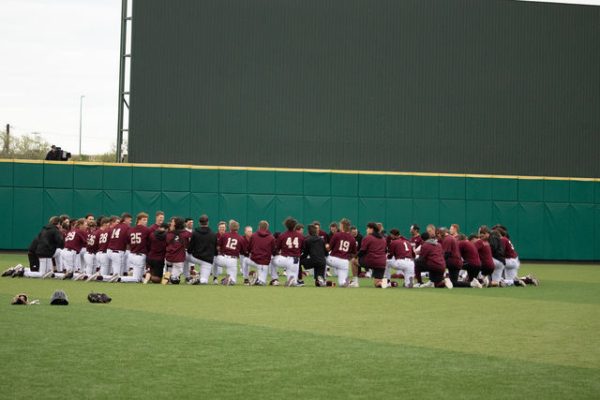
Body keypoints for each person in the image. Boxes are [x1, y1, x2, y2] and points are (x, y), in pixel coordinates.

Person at [351, 222, 388, 288]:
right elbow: (385, 251)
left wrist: (355, 256)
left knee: (353, 261)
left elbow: (362, 251)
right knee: (377, 284)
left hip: (370, 261)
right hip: (381, 263)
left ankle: (355, 282)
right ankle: (386, 283)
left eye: (367, 228)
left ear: (372, 229)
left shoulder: (368, 237)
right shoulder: (383, 239)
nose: (366, 230)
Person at [270, 217, 305, 286]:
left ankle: (275, 279)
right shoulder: (301, 236)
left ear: (286, 225)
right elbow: (303, 249)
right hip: (295, 260)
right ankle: (294, 280)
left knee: (272, 261)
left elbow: (276, 248)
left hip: (284, 259)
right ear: (295, 225)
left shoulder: (282, 235)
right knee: (293, 282)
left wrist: (277, 253)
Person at [187, 214, 218, 285]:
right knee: (204, 281)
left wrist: (189, 252)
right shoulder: (213, 234)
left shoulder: (194, 233)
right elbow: (215, 251)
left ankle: (187, 276)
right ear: (208, 222)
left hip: (195, 258)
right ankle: (200, 279)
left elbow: (190, 248)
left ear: (199, 222)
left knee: (183, 255)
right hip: (207, 261)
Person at [213, 219, 246, 285]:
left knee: (214, 258)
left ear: (229, 227)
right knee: (233, 281)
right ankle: (229, 279)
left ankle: (215, 278)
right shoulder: (241, 238)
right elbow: (243, 251)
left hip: (222, 259)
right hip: (233, 261)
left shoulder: (224, 235)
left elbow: (218, 247)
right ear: (238, 228)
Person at [120, 212, 150, 283]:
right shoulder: (146, 230)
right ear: (139, 220)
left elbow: (127, 242)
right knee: (136, 279)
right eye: (144, 220)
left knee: (140, 277)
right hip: (139, 256)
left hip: (132, 254)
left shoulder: (130, 229)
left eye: (146, 220)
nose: (146, 221)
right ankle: (119, 278)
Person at [326, 218, 356, 287]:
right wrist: (348, 258)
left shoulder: (337, 235)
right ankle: (349, 282)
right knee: (342, 283)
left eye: (340, 224)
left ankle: (322, 279)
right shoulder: (352, 238)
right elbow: (353, 253)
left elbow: (329, 248)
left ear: (342, 225)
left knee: (321, 258)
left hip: (333, 259)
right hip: (344, 262)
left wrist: (325, 247)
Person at [247, 220, 276, 286]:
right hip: (265, 262)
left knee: (245, 260)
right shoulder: (271, 237)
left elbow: (249, 248)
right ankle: (261, 280)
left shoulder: (253, 236)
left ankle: (246, 279)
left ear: (259, 227)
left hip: (255, 261)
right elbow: (274, 251)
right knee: (262, 281)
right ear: (267, 228)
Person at [163, 217, 192, 284]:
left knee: (171, 276)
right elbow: (189, 243)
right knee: (175, 280)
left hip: (169, 258)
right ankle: (176, 277)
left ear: (176, 224)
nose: (171, 223)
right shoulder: (186, 233)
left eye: (173, 222)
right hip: (178, 260)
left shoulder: (168, 234)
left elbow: (166, 243)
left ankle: (169, 274)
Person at [107, 213, 131, 279]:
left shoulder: (116, 226)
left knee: (113, 272)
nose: (130, 222)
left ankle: (101, 276)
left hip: (109, 250)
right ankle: (101, 277)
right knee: (118, 276)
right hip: (117, 251)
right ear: (125, 219)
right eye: (129, 220)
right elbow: (129, 240)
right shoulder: (127, 227)